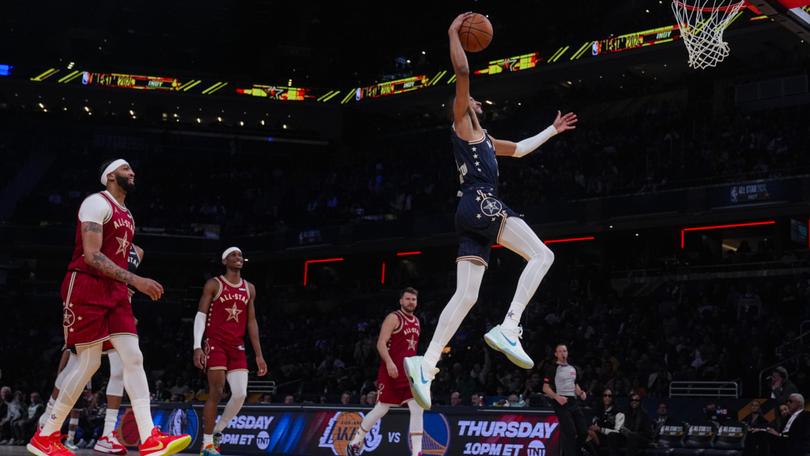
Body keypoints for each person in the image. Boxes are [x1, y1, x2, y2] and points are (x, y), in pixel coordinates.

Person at [403, 12, 578, 410]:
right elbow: (462, 69)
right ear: (462, 108)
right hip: (482, 202)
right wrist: (452, 31)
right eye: (469, 102)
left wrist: (552, 130)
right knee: (543, 254)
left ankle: (426, 364)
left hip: (469, 212)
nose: (476, 103)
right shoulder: (463, 124)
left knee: (466, 295)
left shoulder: (485, 139)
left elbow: (519, 148)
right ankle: (511, 325)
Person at [28, 159, 191, 456]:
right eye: (126, 169)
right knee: (88, 363)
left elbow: (126, 255)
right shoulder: (96, 203)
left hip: (115, 292)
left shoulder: (128, 215)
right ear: (109, 176)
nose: (132, 172)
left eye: (132, 170)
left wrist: (129, 283)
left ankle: (149, 437)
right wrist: (137, 280)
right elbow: (92, 256)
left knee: (133, 357)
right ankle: (47, 433)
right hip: (87, 286)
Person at [39, 244, 145, 455]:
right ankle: (47, 422)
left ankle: (107, 435)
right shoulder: (98, 242)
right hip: (94, 305)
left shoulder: (138, 252)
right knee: (76, 364)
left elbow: (126, 285)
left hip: (118, 310)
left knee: (119, 370)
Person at [193, 247, 267, 456]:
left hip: (237, 346)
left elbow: (252, 322)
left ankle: (217, 431)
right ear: (225, 261)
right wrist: (197, 346)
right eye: (233, 255)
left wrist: (259, 355)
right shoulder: (214, 284)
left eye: (240, 255)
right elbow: (200, 315)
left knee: (241, 393)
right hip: (215, 342)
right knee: (216, 391)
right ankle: (206, 445)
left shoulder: (249, 288)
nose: (238, 257)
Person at [348, 288, 423, 456]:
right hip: (391, 370)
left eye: (414, 299)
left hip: (409, 371)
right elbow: (381, 343)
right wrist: (389, 363)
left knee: (417, 407)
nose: (411, 302)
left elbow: (410, 350)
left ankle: (417, 452)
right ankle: (356, 440)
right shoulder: (394, 317)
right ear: (401, 301)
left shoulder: (417, 321)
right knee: (381, 408)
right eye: (408, 299)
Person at [542, 344, 587, 456]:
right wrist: (557, 397)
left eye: (565, 351)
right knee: (570, 433)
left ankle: (576, 452)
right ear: (556, 354)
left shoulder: (573, 368)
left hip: (573, 402)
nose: (563, 353)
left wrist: (581, 393)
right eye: (560, 351)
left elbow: (575, 384)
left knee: (583, 432)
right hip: (560, 402)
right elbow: (545, 388)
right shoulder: (552, 368)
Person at [587, 388, 624, 456]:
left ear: (612, 398)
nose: (607, 398)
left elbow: (617, 432)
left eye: (609, 396)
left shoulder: (618, 413)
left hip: (612, 439)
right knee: (587, 434)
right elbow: (594, 424)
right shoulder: (598, 410)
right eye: (605, 395)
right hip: (599, 437)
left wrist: (600, 429)